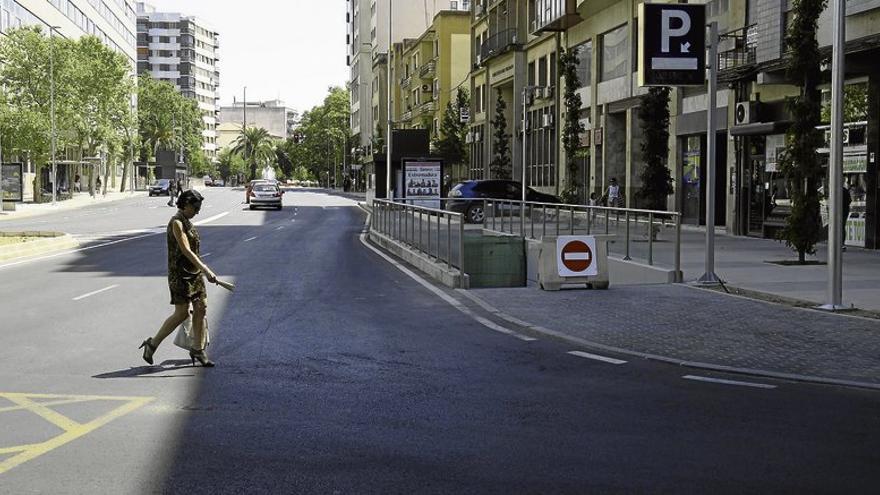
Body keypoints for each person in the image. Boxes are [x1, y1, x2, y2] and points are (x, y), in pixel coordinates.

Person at [140, 190, 218, 367]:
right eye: (196, 207)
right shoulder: (176, 223)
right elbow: (186, 250)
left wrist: (200, 271)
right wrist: (206, 269)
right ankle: (152, 344)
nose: (198, 211)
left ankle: (198, 349)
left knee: (201, 308)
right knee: (182, 313)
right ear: (186, 204)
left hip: (194, 273)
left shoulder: (188, 222)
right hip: (180, 275)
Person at [842, 184, 852, 252]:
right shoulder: (844, 190)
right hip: (845, 210)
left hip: (842, 211)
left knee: (840, 227)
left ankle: (841, 243)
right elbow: (849, 200)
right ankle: (842, 243)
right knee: (842, 227)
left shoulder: (841, 190)